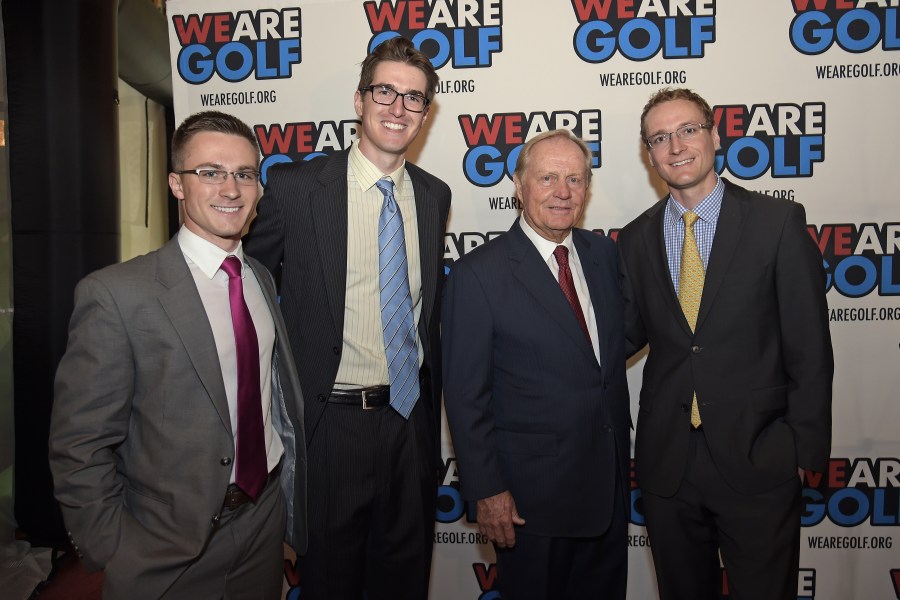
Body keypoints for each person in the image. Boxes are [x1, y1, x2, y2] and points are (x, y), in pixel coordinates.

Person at [49, 110, 307, 599]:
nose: (230, 189)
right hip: (166, 547)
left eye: (245, 174)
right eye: (209, 172)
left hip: (263, 521)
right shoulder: (116, 295)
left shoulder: (259, 278)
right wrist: (114, 550)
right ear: (176, 184)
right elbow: (78, 446)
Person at [244, 36, 450, 599]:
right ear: (359, 101)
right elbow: (244, 292)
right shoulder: (296, 189)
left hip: (410, 426)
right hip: (330, 426)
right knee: (331, 584)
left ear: (425, 114)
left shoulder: (434, 196)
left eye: (413, 98)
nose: (398, 107)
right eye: (385, 91)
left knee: (404, 582)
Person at [617, 88, 833, 600]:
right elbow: (623, 337)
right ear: (650, 154)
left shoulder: (775, 222)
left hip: (759, 458)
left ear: (714, 136)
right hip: (668, 466)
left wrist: (804, 447)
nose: (676, 146)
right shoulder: (634, 239)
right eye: (660, 138)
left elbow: (809, 343)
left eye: (688, 130)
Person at [442, 129, 630, 599]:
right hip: (529, 504)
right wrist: (487, 491)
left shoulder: (604, 254)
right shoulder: (477, 274)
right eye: (547, 178)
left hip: (606, 494)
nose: (562, 192)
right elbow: (466, 397)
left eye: (575, 179)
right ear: (519, 186)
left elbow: (602, 356)